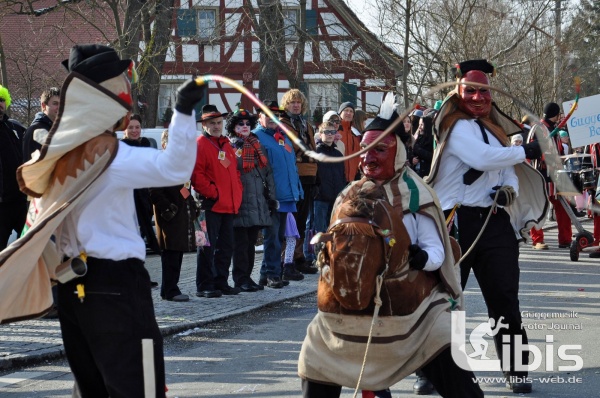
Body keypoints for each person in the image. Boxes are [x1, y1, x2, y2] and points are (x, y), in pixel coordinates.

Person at [2, 44, 204, 396]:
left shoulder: (56, 154)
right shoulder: (110, 154)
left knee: (92, 387)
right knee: (138, 386)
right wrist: (184, 111)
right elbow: (175, 168)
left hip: (71, 285)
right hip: (115, 281)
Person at [299, 93, 484, 398]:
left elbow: (437, 251)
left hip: (411, 307)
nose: (368, 157)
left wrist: (422, 257)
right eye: (365, 150)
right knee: (316, 354)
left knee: (444, 343)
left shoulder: (417, 193)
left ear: (398, 153)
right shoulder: (348, 194)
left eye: (379, 150)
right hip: (354, 306)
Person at [425, 59, 548, 394]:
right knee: (446, 299)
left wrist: (510, 188)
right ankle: (433, 371)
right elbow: (483, 159)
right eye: (471, 90)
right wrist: (527, 150)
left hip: (493, 221)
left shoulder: (494, 129)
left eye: (484, 91)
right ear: (458, 91)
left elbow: (505, 165)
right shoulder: (456, 126)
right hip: (456, 221)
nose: (478, 97)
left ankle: (516, 369)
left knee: (505, 298)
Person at [225, 106, 284, 291]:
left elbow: (267, 173)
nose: (244, 126)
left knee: (250, 243)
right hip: (241, 201)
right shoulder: (231, 146)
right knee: (240, 244)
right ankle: (240, 279)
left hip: (257, 201)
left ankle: (247, 278)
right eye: (240, 123)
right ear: (233, 126)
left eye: (247, 123)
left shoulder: (256, 143)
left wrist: (271, 198)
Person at [192, 104, 243, 297]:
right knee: (206, 246)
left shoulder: (226, 144)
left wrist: (237, 192)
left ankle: (220, 281)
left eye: (219, 122)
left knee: (226, 247)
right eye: (212, 123)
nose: (216, 126)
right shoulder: (200, 144)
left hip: (228, 206)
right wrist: (214, 193)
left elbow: (234, 172)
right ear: (204, 125)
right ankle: (204, 285)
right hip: (210, 205)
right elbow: (197, 175)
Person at [254, 99, 304, 288]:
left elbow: (291, 166)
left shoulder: (282, 136)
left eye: (276, 115)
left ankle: (265, 275)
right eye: (268, 115)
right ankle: (273, 275)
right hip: (271, 196)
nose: (273, 118)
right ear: (260, 116)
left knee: (278, 237)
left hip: (286, 194)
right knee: (272, 237)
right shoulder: (257, 137)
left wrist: (296, 190)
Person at [149, 129, 198, 302]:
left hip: (180, 217)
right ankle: (170, 290)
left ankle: (170, 288)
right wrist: (167, 209)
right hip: (170, 218)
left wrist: (191, 204)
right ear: (164, 145)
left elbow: (183, 189)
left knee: (177, 254)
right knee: (170, 255)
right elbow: (154, 191)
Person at [279, 89, 319, 274]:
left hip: (309, 176)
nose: (296, 105)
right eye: (292, 102)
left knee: (302, 221)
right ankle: (287, 259)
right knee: (291, 220)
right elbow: (296, 148)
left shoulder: (306, 124)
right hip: (293, 176)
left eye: (298, 102)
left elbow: (312, 148)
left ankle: (298, 256)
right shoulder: (283, 125)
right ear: (285, 105)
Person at [527, 102, 572, 250]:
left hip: (556, 174)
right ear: (555, 114)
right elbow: (531, 150)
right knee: (538, 207)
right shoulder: (537, 128)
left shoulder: (556, 129)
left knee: (563, 206)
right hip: (540, 174)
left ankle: (565, 239)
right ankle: (537, 240)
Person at [122, 114, 160, 257]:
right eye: (130, 127)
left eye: (137, 127)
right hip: (128, 202)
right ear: (124, 129)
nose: (134, 130)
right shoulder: (120, 148)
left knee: (141, 243)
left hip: (145, 200)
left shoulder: (146, 146)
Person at [0, 84, 27, 251]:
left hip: (20, 201)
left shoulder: (15, 127)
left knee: (30, 244)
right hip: (0, 207)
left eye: (2, 99)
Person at [313, 121, 346, 236]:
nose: (330, 134)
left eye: (332, 132)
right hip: (320, 198)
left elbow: (342, 176)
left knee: (333, 229)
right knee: (318, 230)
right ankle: (313, 254)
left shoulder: (338, 154)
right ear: (320, 133)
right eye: (327, 132)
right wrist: (316, 191)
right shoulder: (315, 152)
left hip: (335, 198)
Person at [23, 87, 60, 163]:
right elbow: (29, 164)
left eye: (62, 104)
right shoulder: (34, 130)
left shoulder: (62, 129)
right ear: (43, 106)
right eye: (55, 103)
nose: (59, 107)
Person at [338, 101, 361, 182]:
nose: (349, 113)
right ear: (340, 113)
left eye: (351, 111)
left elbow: (358, 156)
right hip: (338, 178)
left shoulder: (354, 135)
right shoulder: (335, 132)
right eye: (346, 110)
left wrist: (357, 173)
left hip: (352, 179)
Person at [411, 113, 434, 178]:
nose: (419, 127)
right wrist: (412, 159)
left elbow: (432, 156)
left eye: (421, 125)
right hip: (416, 171)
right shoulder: (418, 138)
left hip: (426, 173)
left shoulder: (432, 140)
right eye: (419, 125)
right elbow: (412, 152)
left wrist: (418, 150)